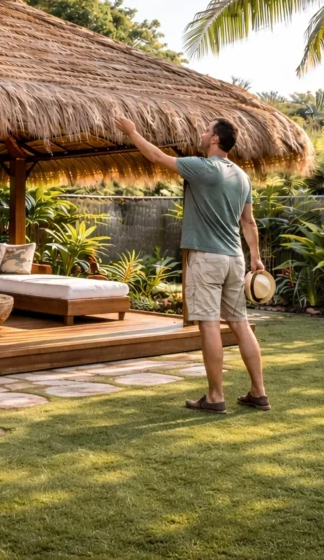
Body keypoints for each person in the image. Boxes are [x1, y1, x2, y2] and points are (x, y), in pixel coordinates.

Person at [114, 116, 269, 414]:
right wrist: (255, 256)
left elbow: (157, 157)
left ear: (214, 139)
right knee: (240, 324)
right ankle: (259, 393)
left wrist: (132, 132)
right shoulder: (241, 176)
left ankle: (215, 397)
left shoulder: (204, 167)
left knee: (209, 325)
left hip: (206, 258)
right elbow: (248, 222)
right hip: (235, 259)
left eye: (206, 129)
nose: (201, 133)